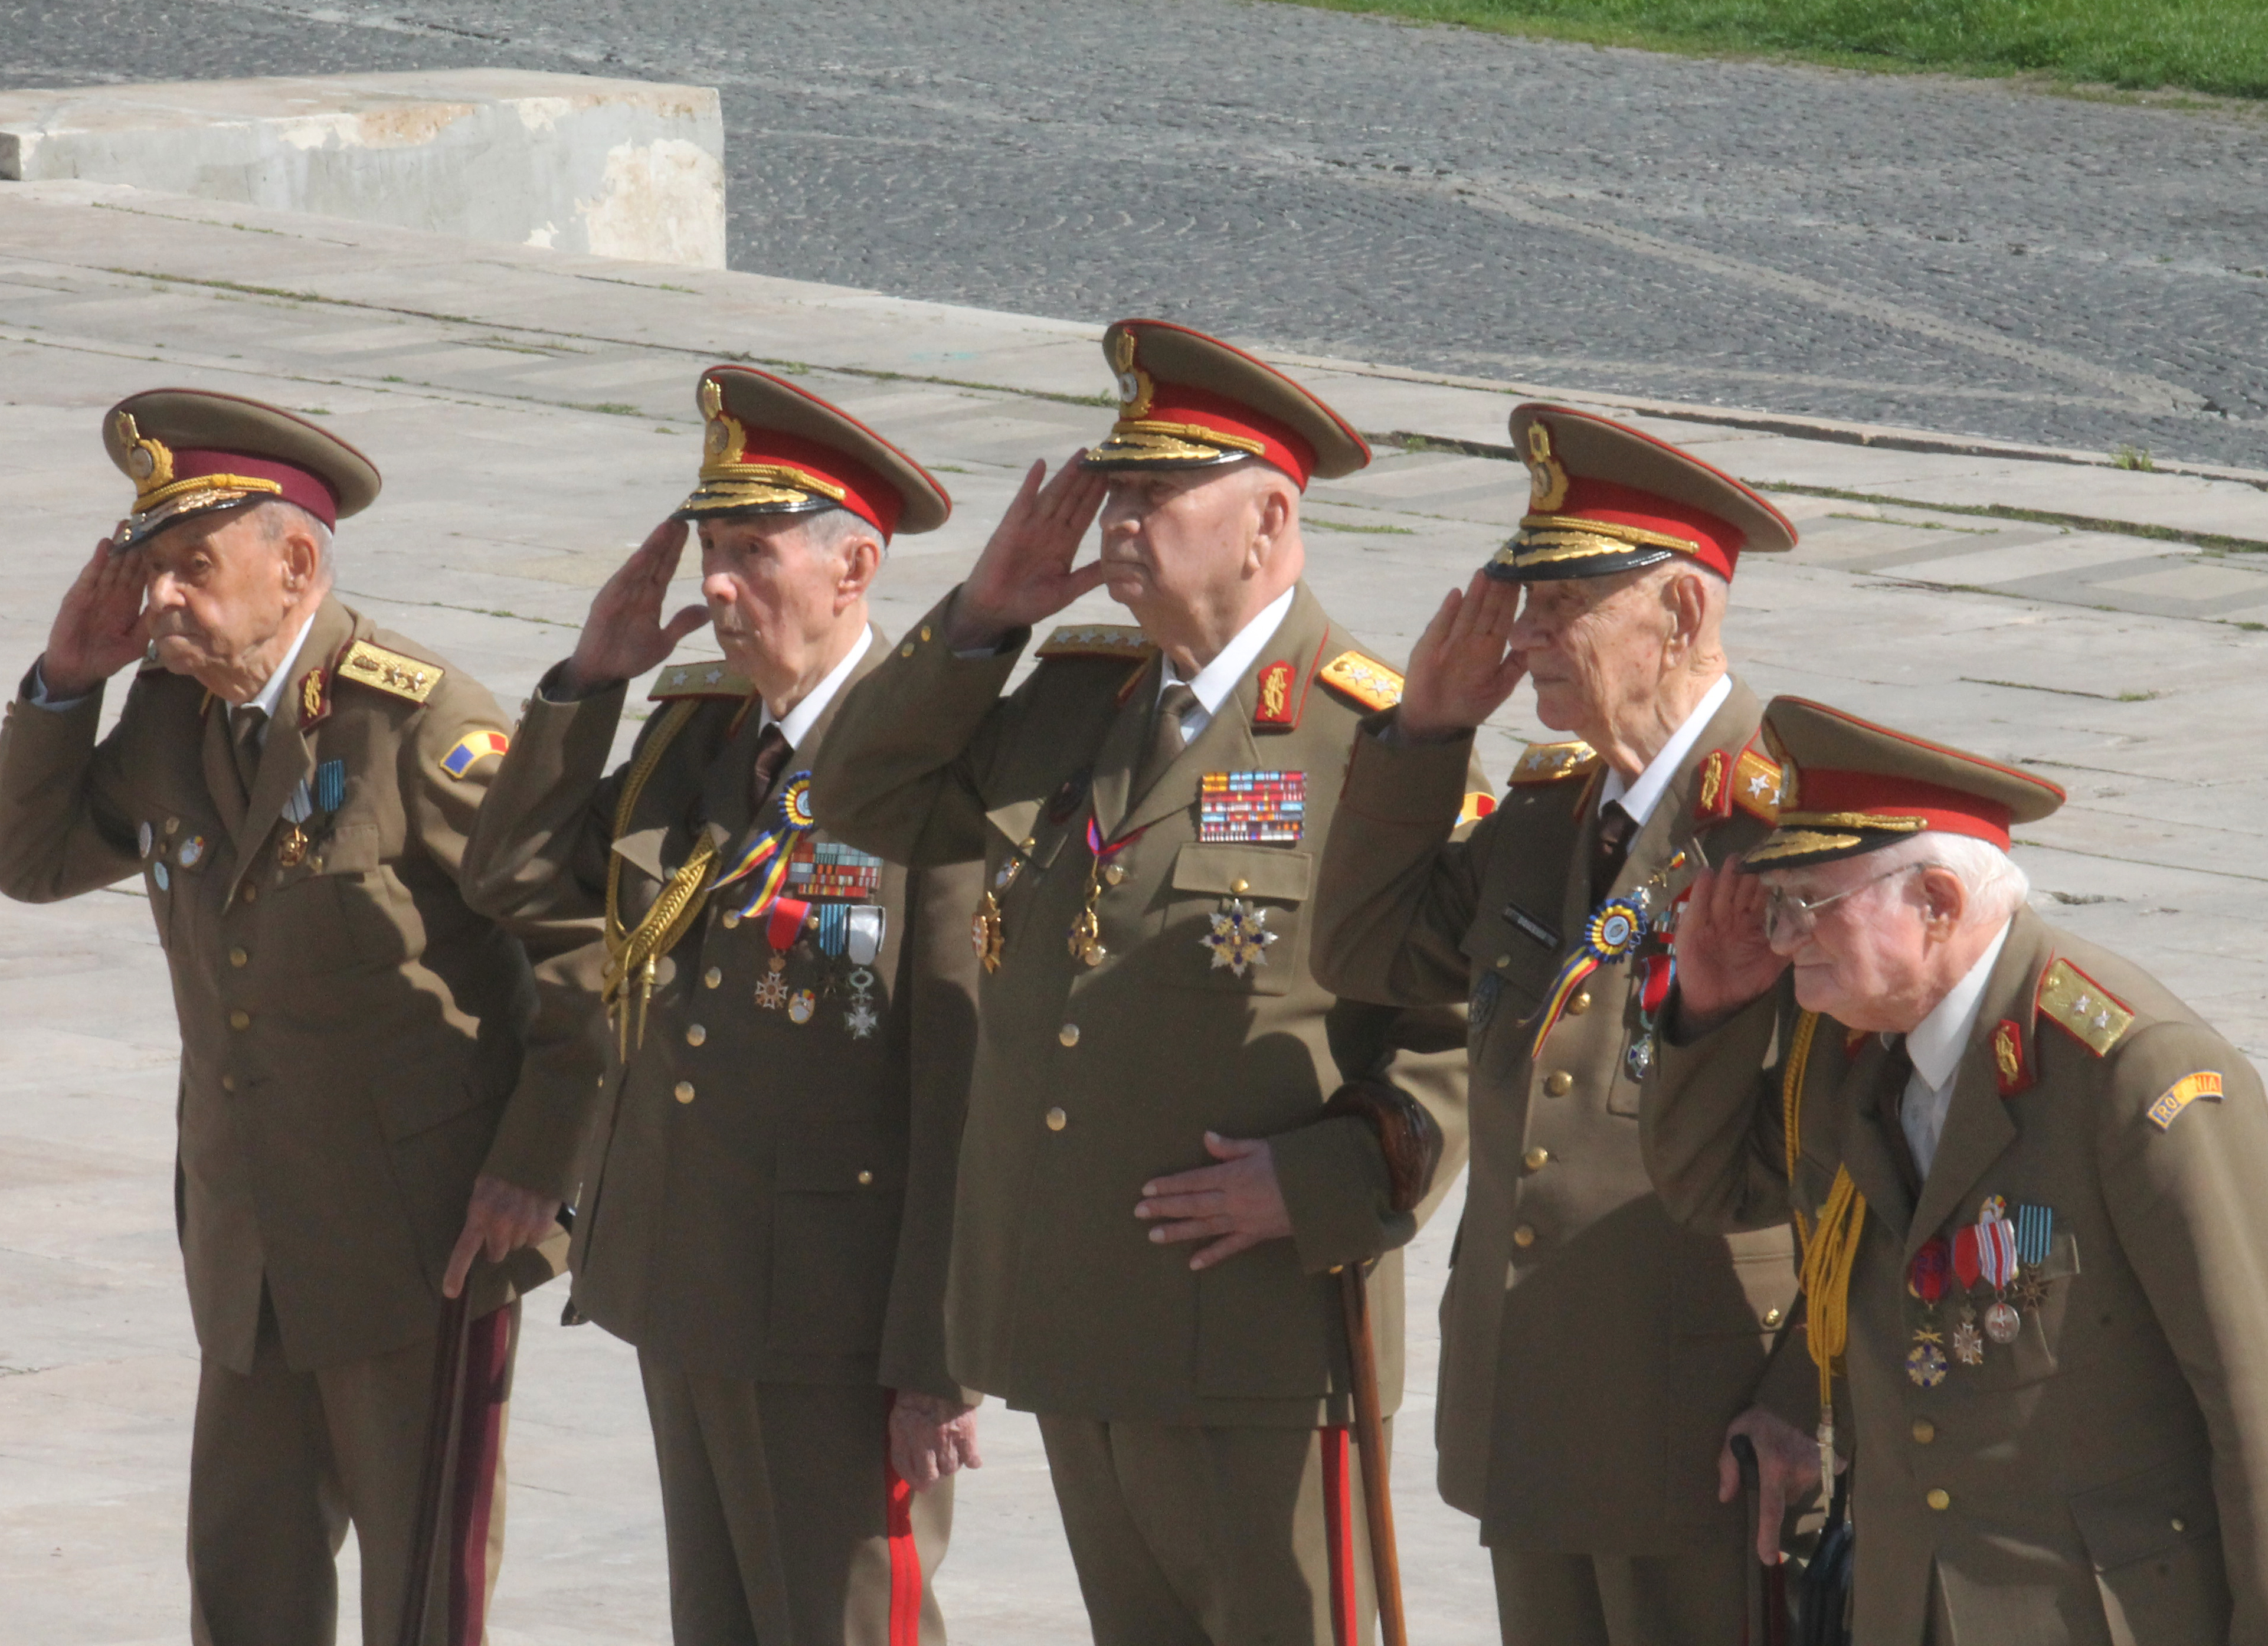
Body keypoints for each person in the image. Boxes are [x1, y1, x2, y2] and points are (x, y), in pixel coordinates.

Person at [810, 320, 1481, 1646]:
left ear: (1265, 519)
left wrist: (1325, 1182)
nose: (1120, 519)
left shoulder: (1372, 737)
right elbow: (860, 796)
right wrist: (987, 613)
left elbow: (1458, 1028)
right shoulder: (1077, 705)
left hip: (1261, 1341)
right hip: (1079, 1323)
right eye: (1114, 490)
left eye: (1157, 492)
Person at [0, 388, 597, 1644]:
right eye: (146, 568)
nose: (159, 600)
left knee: (421, 1601)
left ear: (297, 564)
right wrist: (63, 680)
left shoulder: (418, 723)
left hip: (418, 1250)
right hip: (248, 1248)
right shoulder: (173, 718)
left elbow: (585, 949)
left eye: (189, 569)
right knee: (244, 1589)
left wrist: (534, 1170)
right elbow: (32, 855)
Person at [459, 365, 982, 1645]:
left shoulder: (930, 766)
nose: (715, 588)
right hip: (681, 1287)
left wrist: (935, 1356)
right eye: (709, 551)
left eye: (752, 552)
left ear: (851, 571)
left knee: (850, 1626)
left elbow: (957, 1086)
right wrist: (590, 679)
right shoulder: (695, 733)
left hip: (836, 1323)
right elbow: (516, 874)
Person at [1648, 694, 2268, 1644]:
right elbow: (1704, 1187)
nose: (1785, 939)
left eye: (1810, 907)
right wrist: (1709, 1013)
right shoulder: (1860, 1060)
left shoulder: (2129, 1075)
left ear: (1937, 904)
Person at [1310, 404, 1811, 1644]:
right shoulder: (1545, 817)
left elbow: (1862, 1157)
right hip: (1529, 1412)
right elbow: (1363, 954)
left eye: (1561, 601)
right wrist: (1423, 734)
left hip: (1706, 1427)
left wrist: (1810, 1397)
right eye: (1519, 595)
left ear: (1681, 615)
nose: (1522, 632)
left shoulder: (1784, 834)